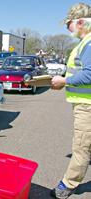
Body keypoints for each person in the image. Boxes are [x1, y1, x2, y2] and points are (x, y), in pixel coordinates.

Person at [51, 3, 91, 199]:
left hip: (87, 107)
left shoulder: (89, 43)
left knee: (81, 148)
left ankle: (68, 184)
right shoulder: (85, 44)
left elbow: (90, 75)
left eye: (69, 25)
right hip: (85, 104)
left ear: (81, 22)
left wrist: (63, 80)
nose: (68, 29)